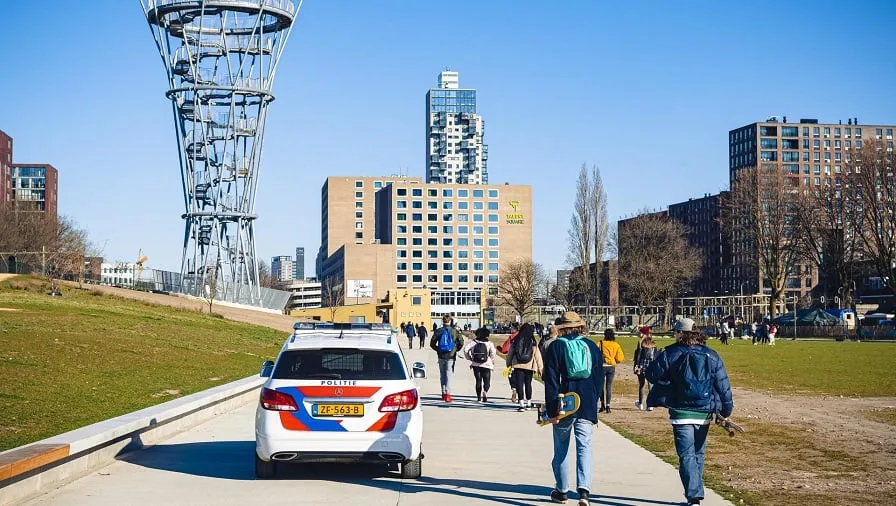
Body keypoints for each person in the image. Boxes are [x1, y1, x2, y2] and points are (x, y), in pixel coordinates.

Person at [645, 318, 734, 506]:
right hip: (704, 412)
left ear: (680, 333)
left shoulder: (671, 352)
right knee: (698, 454)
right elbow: (723, 385)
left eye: (675, 332)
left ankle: (694, 495)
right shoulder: (712, 355)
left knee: (686, 455)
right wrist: (726, 410)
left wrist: (667, 381)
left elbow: (651, 374)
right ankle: (695, 490)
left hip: (680, 412)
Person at [543, 311, 605, 506]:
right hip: (586, 402)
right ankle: (584, 491)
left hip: (565, 401)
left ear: (562, 327)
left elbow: (551, 380)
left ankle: (562, 491)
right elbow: (599, 378)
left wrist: (552, 411)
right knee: (584, 447)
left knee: (561, 448)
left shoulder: (556, 347)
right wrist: (595, 400)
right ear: (580, 326)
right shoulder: (592, 346)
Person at [506, 323, 543, 411]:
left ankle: (521, 404)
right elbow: (537, 355)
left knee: (519, 384)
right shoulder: (532, 341)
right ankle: (529, 403)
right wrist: (540, 367)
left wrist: (508, 364)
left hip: (518, 365)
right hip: (529, 365)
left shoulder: (516, 340)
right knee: (528, 384)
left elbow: (510, 353)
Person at [430, 314, 464, 402]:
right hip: (451, 356)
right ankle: (448, 395)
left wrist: (438, 349)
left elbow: (432, 343)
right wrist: (455, 349)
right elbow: (461, 342)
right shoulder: (454, 331)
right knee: (449, 374)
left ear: (443, 321)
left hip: (441, 355)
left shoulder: (438, 331)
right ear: (450, 321)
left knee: (442, 374)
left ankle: (443, 393)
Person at [461, 327, 497, 402]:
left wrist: (470, 358)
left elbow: (465, 350)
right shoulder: (489, 343)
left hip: (476, 364)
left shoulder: (473, 342)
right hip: (486, 364)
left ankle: (478, 397)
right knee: (487, 381)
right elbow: (493, 353)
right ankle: (485, 392)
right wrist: (492, 359)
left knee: (478, 380)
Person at [598, 329, 624, 413]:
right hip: (611, 366)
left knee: (600, 386)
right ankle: (608, 406)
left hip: (602, 366)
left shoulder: (600, 343)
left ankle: (602, 404)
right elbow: (620, 358)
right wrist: (614, 361)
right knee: (609, 386)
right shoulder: (616, 345)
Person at [633, 335, 657, 411]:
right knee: (651, 386)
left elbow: (638, 356)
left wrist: (636, 367)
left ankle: (640, 403)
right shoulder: (654, 347)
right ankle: (650, 404)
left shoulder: (642, 347)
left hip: (641, 368)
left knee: (642, 385)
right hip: (651, 368)